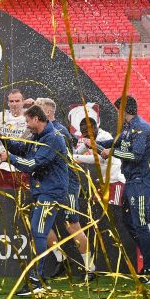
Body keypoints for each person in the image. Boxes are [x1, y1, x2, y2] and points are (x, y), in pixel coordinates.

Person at [0, 105, 69, 296]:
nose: (27, 124)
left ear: (37, 119)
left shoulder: (53, 138)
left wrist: (9, 158)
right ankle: (36, 279)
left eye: (28, 121)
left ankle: (36, 281)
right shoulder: (38, 137)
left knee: (38, 233)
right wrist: (1, 139)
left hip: (52, 192)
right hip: (44, 191)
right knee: (39, 233)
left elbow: (32, 164)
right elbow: (22, 148)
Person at [35, 98, 95, 281]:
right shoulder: (42, 131)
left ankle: (90, 268)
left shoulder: (58, 131)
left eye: (40, 110)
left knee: (71, 225)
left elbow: (67, 160)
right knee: (41, 222)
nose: (37, 114)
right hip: (51, 183)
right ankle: (62, 260)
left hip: (68, 183)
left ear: (50, 112)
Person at [93, 96, 150, 283]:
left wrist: (111, 152)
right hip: (130, 181)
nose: (117, 113)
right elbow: (113, 143)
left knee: (141, 223)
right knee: (128, 221)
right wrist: (93, 142)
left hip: (141, 181)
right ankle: (149, 255)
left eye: (118, 109)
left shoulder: (141, 127)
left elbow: (136, 155)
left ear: (124, 110)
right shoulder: (126, 128)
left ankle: (149, 268)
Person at [74, 117, 126, 204]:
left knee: (114, 212)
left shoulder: (104, 137)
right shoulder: (89, 139)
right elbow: (76, 152)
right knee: (97, 210)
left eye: (87, 132)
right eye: (83, 133)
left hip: (115, 181)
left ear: (95, 128)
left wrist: (75, 157)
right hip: (103, 184)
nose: (85, 135)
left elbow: (99, 158)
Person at [0, 89, 34, 188]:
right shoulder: (1, 116)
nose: (14, 104)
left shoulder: (31, 115)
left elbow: (47, 118)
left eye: (17, 101)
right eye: (11, 101)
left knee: (23, 200)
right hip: (4, 167)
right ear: (8, 103)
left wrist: (35, 105)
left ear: (23, 101)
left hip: (23, 166)